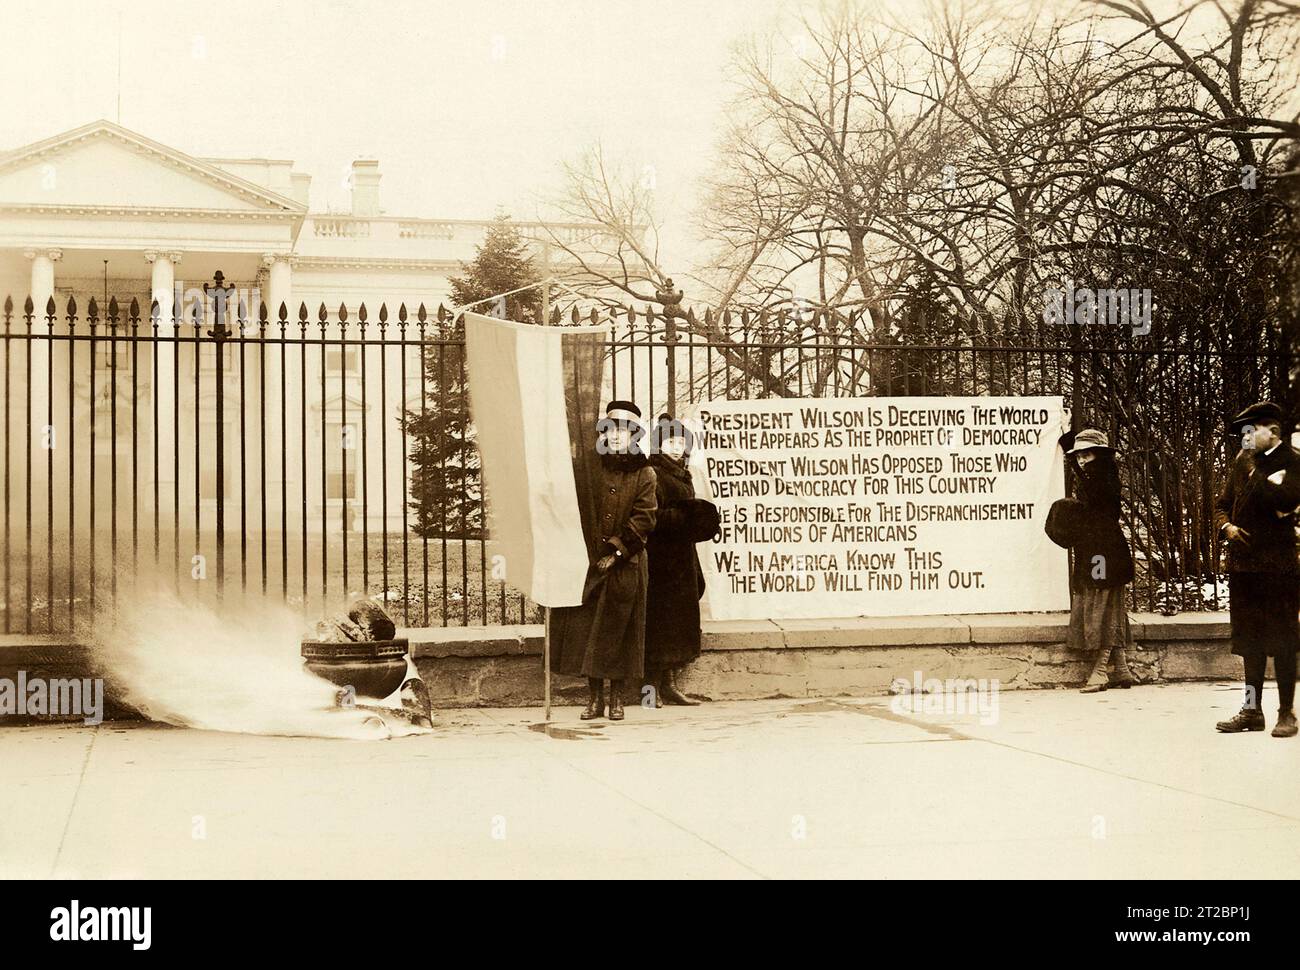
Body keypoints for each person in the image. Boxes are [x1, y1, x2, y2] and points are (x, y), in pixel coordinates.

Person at [549, 400, 658, 721]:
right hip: (590, 564)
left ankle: (617, 699)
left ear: (634, 436)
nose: (615, 437)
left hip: (627, 564)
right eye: (609, 431)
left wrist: (618, 552)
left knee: (620, 632)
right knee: (588, 633)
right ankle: (594, 698)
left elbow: (645, 519)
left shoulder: (645, 474)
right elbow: (573, 506)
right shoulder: (588, 470)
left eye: (623, 432)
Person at [1213, 401, 1300, 737]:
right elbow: (1222, 504)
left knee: (1283, 641)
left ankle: (1286, 714)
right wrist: (1227, 527)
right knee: (1249, 644)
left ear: (1272, 431)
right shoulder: (1241, 462)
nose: (1245, 439)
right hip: (1244, 567)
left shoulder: (1292, 463)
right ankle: (1252, 710)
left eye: (1250, 431)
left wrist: (1254, 472)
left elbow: (1282, 502)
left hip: (1278, 568)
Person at [643, 414, 715, 706]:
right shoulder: (654, 473)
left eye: (681, 442)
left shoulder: (682, 473)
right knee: (658, 626)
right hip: (660, 561)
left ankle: (669, 685)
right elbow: (652, 516)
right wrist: (686, 515)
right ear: (659, 443)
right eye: (670, 441)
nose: (676, 447)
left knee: (677, 626)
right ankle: (649, 691)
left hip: (682, 560)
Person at [1062, 429, 1137, 693]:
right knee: (1109, 605)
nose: (1082, 460)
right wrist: (1067, 440)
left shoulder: (1102, 476)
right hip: (1099, 549)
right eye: (1079, 455)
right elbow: (1085, 481)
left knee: (1103, 606)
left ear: (1100, 455)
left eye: (1087, 454)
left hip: (1102, 552)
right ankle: (1123, 669)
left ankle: (1100, 671)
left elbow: (1092, 502)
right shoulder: (1100, 474)